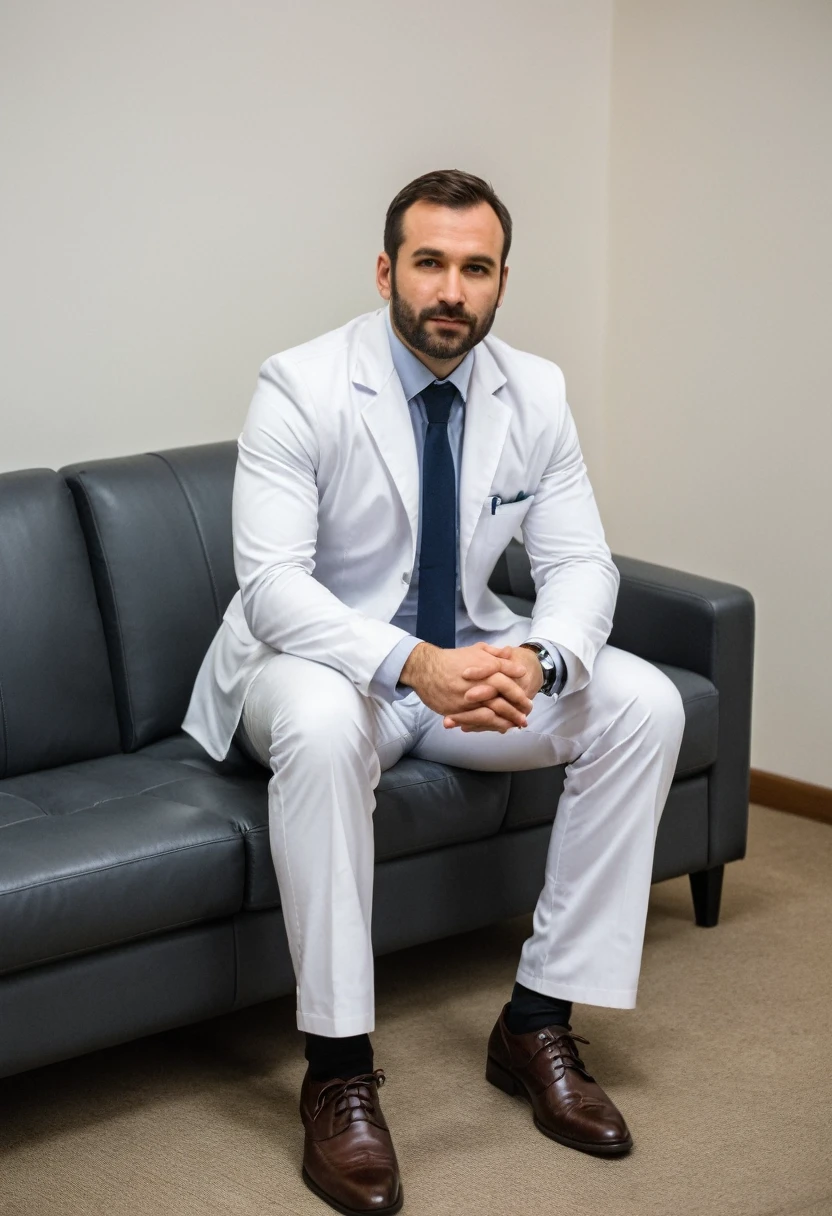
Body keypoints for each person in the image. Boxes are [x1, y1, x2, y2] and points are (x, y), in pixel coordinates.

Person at [183, 168, 685, 1216]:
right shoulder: (299, 383)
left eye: (475, 267)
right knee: (323, 728)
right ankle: (338, 1069)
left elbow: (582, 564)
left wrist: (540, 661)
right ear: (386, 270)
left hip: (465, 666)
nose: (449, 289)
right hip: (316, 667)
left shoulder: (533, 391)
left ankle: (537, 1020)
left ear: (501, 280)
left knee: (644, 703)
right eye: (428, 263)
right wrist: (413, 663)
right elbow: (271, 587)